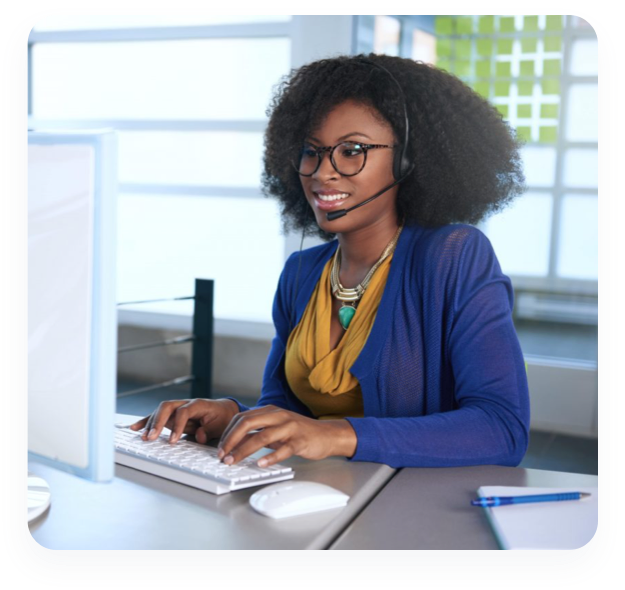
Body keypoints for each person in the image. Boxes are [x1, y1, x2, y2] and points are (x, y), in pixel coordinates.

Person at [132, 54, 530, 469]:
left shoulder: (454, 256)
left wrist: (337, 435)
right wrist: (235, 417)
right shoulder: (301, 273)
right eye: (312, 152)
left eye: (352, 151)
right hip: (314, 502)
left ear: (409, 160)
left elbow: (502, 428)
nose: (323, 173)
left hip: (413, 509)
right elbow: (286, 409)